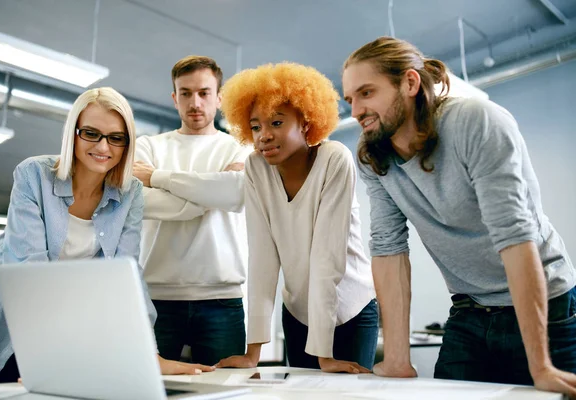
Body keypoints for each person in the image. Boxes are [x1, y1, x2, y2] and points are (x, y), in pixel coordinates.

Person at [342, 36, 576, 396]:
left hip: (548, 306)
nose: (355, 110)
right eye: (350, 99)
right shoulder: (373, 156)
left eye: (366, 93)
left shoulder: (475, 121)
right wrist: (397, 360)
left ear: (409, 83)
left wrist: (540, 366)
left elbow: (514, 235)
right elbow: (388, 250)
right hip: (469, 310)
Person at [0, 87, 212, 384]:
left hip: (62, 326)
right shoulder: (33, 175)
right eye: (91, 133)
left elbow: (126, 277)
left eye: (116, 138)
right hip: (3, 311)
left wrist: (147, 353)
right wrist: (50, 355)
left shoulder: (130, 194)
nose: (103, 147)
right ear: (72, 133)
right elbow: (29, 273)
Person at [216, 62, 378, 373]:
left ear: (305, 122)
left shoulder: (334, 159)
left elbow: (326, 258)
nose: (264, 136)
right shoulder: (255, 168)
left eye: (276, 123)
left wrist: (324, 355)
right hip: (298, 312)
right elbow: (262, 259)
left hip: (351, 308)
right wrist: (253, 353)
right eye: (255, 126)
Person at [133, 56, 249, 366]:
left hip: (222, 299)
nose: (194, 102)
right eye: (185, 93)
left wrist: (157, 179)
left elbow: (235, 194)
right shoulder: (147, 146)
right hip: (157, 299)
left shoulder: (240, 147)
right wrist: (211, 193)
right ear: (174, 98)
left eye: (203, 92)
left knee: (226, 392)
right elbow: (140, 203)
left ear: (219, 97)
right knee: (151, 391)